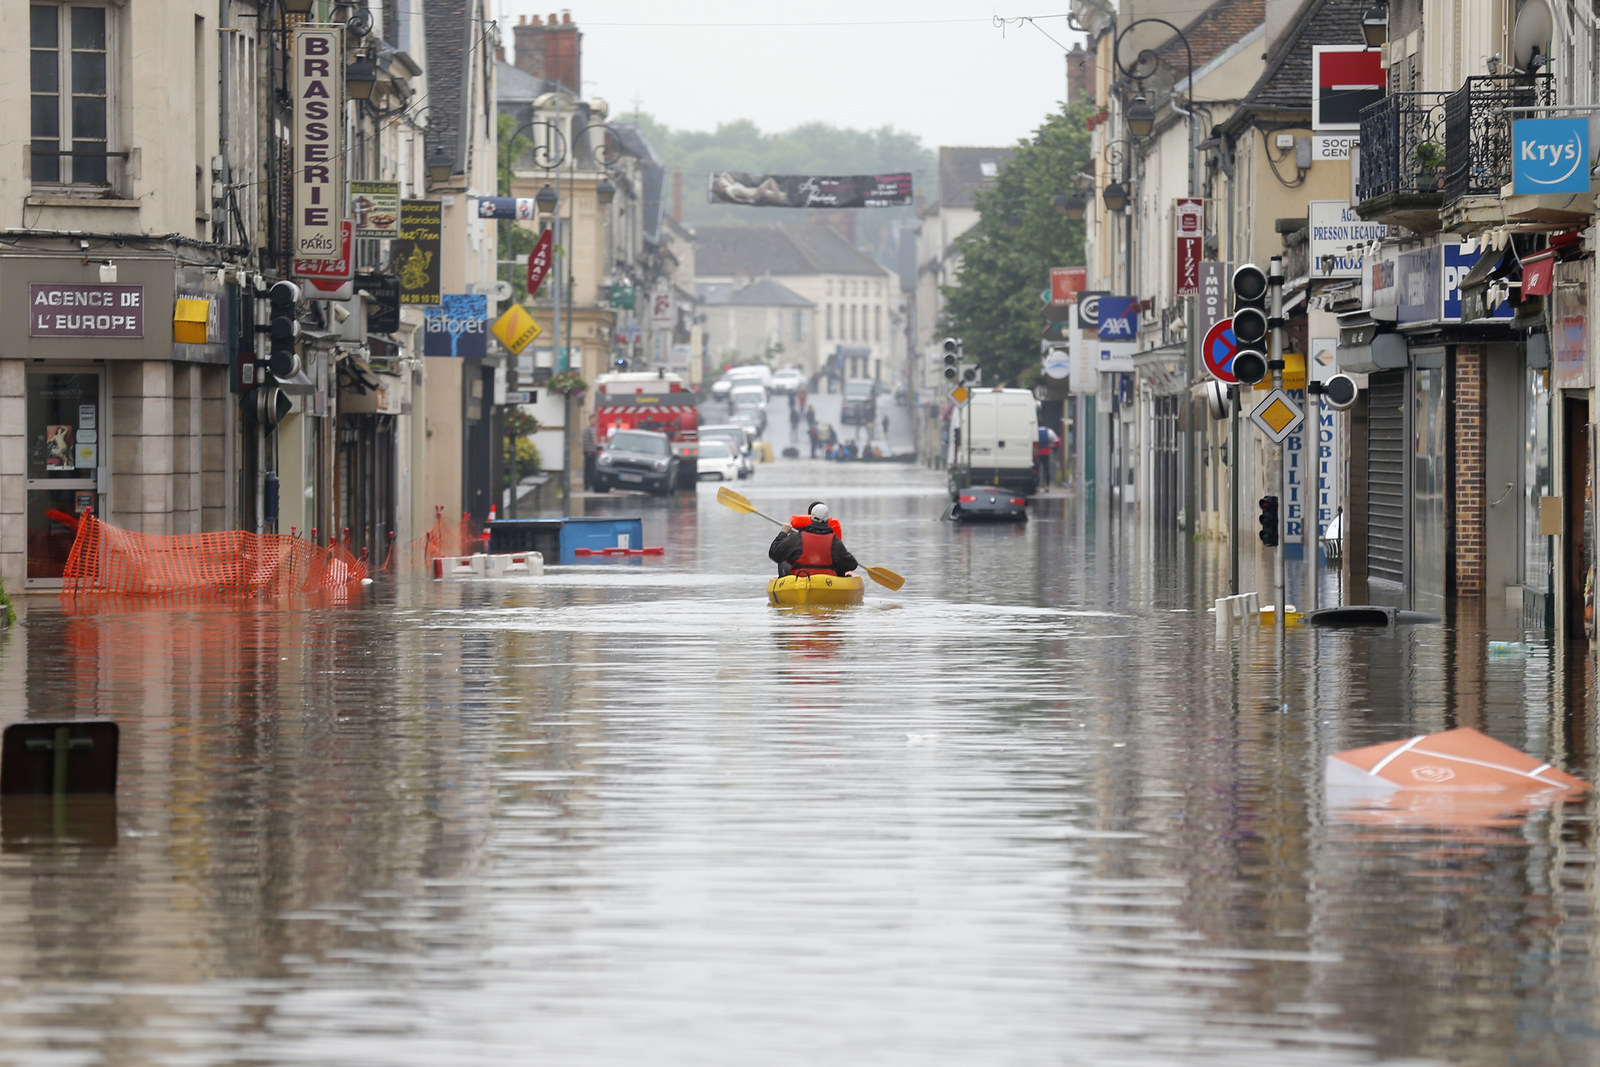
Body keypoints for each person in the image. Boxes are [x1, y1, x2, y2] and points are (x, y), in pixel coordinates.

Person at [769, 502, 857, 578]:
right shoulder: (834, 541)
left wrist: (783, 533)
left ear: (810, 518)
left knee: (783, 562)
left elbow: (774, 553)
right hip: (828, 582)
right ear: (827, 520)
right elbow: (851, 564)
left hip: (800, 579)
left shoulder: (796, 538)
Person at [581, 414, 600, 491]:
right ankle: (587, 485)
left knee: (593, 469)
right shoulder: (587, 429)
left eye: (595, 419)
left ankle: (591, 484)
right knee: (588, 469)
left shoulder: (594, 429)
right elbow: (585, 441)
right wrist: (588, 451)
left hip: (593, 451)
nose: (594, 421)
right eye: (593, 419)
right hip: (589, 452)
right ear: (589, 420)